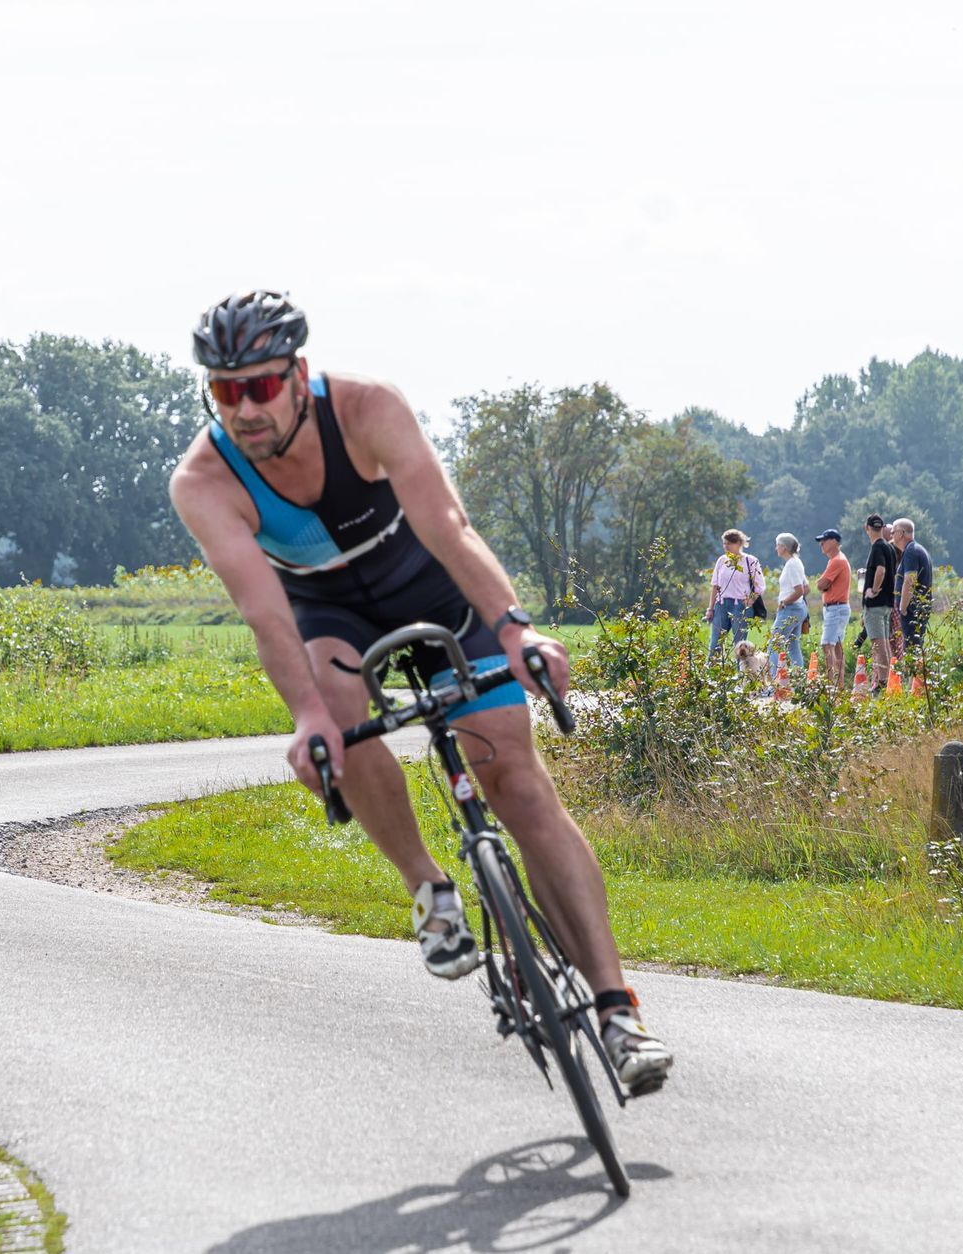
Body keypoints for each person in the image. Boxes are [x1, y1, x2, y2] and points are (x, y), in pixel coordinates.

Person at [167, 290, 671, 1091]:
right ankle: (429, 889)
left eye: (260, 386)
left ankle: (618, 1013)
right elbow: (266, 614)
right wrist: (306, 718)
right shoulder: (204, 479)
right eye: (226, 391)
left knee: (518, 785)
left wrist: (515, 630)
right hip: (328, 614)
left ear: (298, 375)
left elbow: (448, 525)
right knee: (338, 725)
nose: (245, 410)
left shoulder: (367, 408)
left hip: (435, 592)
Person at [703, 529, 762, 661]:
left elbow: (760, 585)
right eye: (724, 543)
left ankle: (741, 672)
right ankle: (711, 671)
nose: (726, 546)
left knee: (740, 646)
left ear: (739, 543)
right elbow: (715, 585)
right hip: (721, 605)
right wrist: (710, 608)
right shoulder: (721, 561)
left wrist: (751, 600)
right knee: (715, 644)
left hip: (740, 606)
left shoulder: (750, 561)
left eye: (730, 543)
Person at [859, 513, 897, 690]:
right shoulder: (890, 547)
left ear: (867, 528)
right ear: (881, 528)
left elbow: (880, 570)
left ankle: (882, 682)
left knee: (877, 643)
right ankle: (889, 679)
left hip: (875, 605)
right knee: (885, 644)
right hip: (887, 603)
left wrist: (873, 590)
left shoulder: (877, 548)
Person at [813, 529, 853, 687]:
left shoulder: (837, 560)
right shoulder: (836, 560)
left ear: (835, 541)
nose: (821, 544)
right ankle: (839, 684)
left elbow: (821, 584)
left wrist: (821, 584)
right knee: (836, 646)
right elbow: (823, 584)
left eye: (825, 540)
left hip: (835, 608)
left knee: (827, 644)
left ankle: (831, 684)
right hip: (838, 607)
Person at [893, 518, 934, 661]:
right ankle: (916, 675)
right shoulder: (916, 549)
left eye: (893, 532)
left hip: (912, 610)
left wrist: (903, 608)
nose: (891, 536)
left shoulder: (911, 551)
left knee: (911, 650)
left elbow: (910, 580)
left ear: (901, 533)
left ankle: (913, 676)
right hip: (918, 608)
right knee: (914, 648)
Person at [769, 533, 809, 673]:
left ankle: (775, 678)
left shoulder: (791, 565)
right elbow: (807, 588)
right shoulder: (797, 562)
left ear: (784, 547)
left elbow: (799, 590)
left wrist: (783, 602)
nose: (776, 548)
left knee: (774, 644)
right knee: (793, 646)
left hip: (790, 609)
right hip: (799, 608)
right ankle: (799, 677)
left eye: (778, 545)